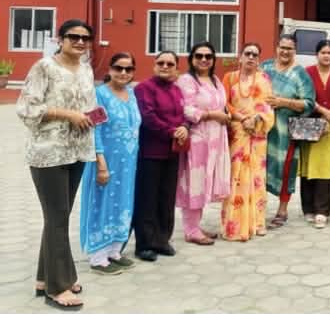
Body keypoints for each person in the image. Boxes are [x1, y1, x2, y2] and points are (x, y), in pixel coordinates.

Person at [17, 19, 96, 310]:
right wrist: (68, 114)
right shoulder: (44, 67)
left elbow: (87, 106)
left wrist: (91, 117)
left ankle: (43, 278)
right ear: (60, 39)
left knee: (58, 217)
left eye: (85, 38)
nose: (80, 42)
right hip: (48, 152)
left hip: (77, 151)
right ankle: (58, 287)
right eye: (73, 36)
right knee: (57, 217)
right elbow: (26, 108)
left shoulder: (86, 69)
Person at [79, 53, 141, 275]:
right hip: (106, 162)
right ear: (110, 69)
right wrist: (101, 163)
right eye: (118, 68)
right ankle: (98, 256)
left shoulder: (131, 94)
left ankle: (114, 251)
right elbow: (94, 130)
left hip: (128, 165)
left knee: (123, 203)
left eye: (128, 69)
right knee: (102, 204)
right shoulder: (99, 95)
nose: (123, 73)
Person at [133, 51, 189, 262]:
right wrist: (172, 131)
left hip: (172, 152)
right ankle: (145, 244)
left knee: (166, 198)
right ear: (154, 65)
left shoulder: (176, 90)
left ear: (176, 68)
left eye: (170, 64)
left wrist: (184, 127)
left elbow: (184, 115)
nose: (165, 66)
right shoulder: (144, 88)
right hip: (150, 152)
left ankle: (162, 240)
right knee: (148, 199)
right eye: (161, 62)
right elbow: (148, 117)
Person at [175, 42, 231, 245]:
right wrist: (212, 115)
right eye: (199, 56)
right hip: (198, 138)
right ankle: (191, 230)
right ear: (191, 59)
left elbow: (223, 105)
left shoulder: (215, 80)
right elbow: (186, 109)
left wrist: (226, 115)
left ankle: (195, 225)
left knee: (205, 181)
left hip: (216, 138)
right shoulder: (187, 80)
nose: (204, 60)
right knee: (195, 182)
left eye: (208, 56)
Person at [261, 34, 316, 228]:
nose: (285, 51)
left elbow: (309, 103)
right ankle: (258, 208)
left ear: (295, 51)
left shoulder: (300, 74)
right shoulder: (265, 67)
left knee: (285, 168)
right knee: (259, 168)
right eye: (282, 47)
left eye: (289, 48)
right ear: (276, 48)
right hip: (262, 129)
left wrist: (283, 102)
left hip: (286, 132)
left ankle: (282, 210)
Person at [221, 43, 275, 241]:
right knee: (236, 175)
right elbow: (224, 103)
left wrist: (256, 119)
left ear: (258, 60)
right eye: (248, 53)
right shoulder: (230, 78)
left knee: (256, 176)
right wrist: (242, 118)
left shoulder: (263, 79)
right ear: (240, 57)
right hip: (237, 132)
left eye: (255, 54)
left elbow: (268, 106)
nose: (251, 57)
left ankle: (257, 222)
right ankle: (233, 224)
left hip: (257, 133)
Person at [300, 40, 330, 229]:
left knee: (326, 167)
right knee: (308, 165)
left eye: (329, 52)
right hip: (311, 124)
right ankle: (308, 208)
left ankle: (322, 211)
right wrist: (322, 111)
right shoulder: (307, 72)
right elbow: (305, 94)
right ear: (316, 54)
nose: (326, 56)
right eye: (323, 52)